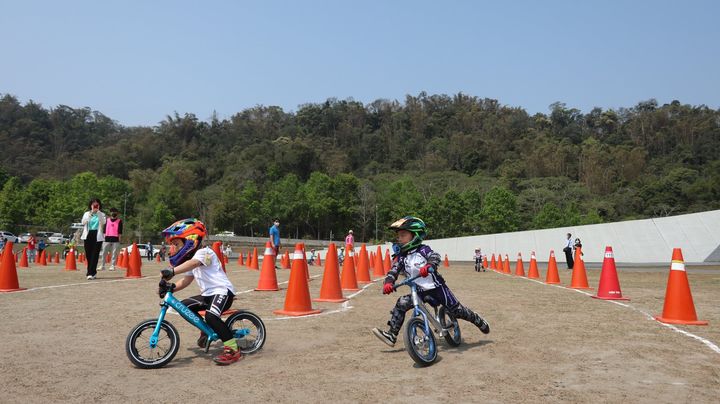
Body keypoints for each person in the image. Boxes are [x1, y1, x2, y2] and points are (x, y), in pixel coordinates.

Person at [371, 216, 490, 347]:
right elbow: (393, 271)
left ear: (415, 235)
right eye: (398, 236)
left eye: (403, 235)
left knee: (457, 311)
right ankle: (392, 335)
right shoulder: (401, 257)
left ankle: (477, 319)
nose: (399, 238)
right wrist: (388, 283)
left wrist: (429, 266)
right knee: (402, 303)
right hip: (419, 291)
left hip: (437, 288)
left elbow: (434, 257)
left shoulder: (423, 249)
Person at [158, 218, 240, 365]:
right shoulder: (192, 258)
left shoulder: (204, 252)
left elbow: (194, 263)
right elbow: (186, 280)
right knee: (184, 307)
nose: (174, 248)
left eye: (176, 244)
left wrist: (172, 271)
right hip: (208, 295)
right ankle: (207, 330)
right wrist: (170, 288)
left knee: (211, 316)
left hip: (222, 292)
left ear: (191, 240)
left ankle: (233, 349)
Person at [81, 198, 106, 280]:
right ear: (90, 205)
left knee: (95, 254)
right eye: (93, 204)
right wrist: (91, 214)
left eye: (96, 204)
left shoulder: (102, 214)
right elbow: (83, 222)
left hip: (97, 235)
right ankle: (92, 271)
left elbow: (103, 222)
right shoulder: (86, 214)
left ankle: (90, 273)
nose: (95, 206)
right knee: (88, 254)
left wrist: (98, 212)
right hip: (88, 235)